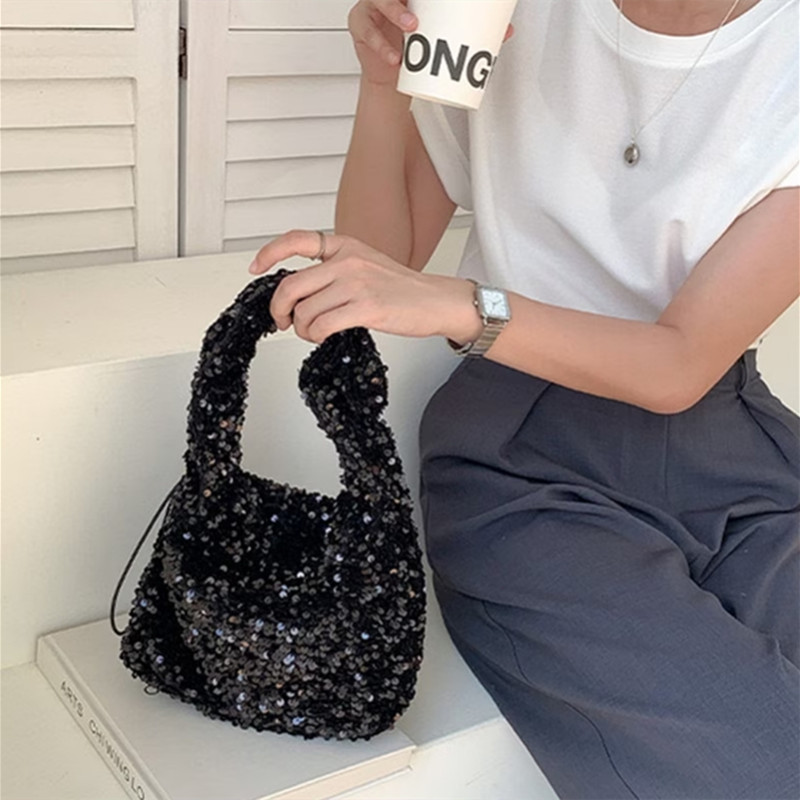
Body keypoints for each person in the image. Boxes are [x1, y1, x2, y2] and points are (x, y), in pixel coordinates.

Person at [248, 0, 799, 796]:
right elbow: (387, 255)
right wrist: (384, 87)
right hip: (522, 458)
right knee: (762, 770)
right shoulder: (511, 11)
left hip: (732, 443)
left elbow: (678, 363)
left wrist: (467, 307)